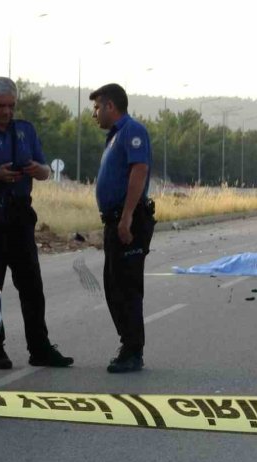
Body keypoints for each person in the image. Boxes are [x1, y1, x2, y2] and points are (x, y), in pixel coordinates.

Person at [0, 77, 73, 369]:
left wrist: (38, 169)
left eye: (10, 106)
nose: (6, 112)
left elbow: (45, 170)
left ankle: (40, 348)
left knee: (32, 285)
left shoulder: (26, 131)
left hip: (21, 217)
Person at [90, 83, 156, 373]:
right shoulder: (114, 137)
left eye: (97, 107)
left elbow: (138, 171)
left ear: (110, 106)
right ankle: (127, 344)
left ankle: (133, 351)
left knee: (127, 287)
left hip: (128, 219)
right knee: (113, 286)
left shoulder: (132, 131)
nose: (95, 114)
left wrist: (127, 216)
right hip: (114, 219)